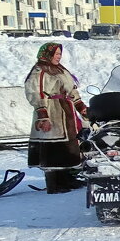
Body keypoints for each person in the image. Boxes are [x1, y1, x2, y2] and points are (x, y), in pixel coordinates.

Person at [24, 43, 86, 194]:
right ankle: (54, 184)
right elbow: (36, 93)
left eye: (60, 54)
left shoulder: (60, 69)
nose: (59, 56)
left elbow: (71, 91)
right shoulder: (40, 71)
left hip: (66, 111)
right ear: (47, 54)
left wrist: (81, 107)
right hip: (52, 112)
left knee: (69, 146)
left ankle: (67, 179)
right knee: (53, 148)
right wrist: (43, 116)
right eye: (56, 54)